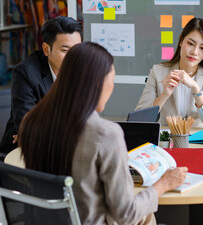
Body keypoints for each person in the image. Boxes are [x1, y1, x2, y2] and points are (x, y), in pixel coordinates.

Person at [19, 42, 188, 224]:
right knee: (144, 216)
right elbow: (126, 214)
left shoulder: (31, 121)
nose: (112, 88)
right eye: (112, 79)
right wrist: (163, 184)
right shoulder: (104, 134)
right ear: (96, 82)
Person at [0, 16, 82, 158]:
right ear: (46, 49)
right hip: (21, 153)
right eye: (65, 50)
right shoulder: (26, 72)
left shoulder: (81, 68)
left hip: (63, 147)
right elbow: (28, 128)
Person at [136, 17, 203, 129]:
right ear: (181, 41)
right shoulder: (157, 71)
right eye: (191, 43)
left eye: (202, 48)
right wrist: (164, 95)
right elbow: (140, 121)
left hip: (199, 140)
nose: (194, 52)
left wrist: (196, 89)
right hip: (167, 140)